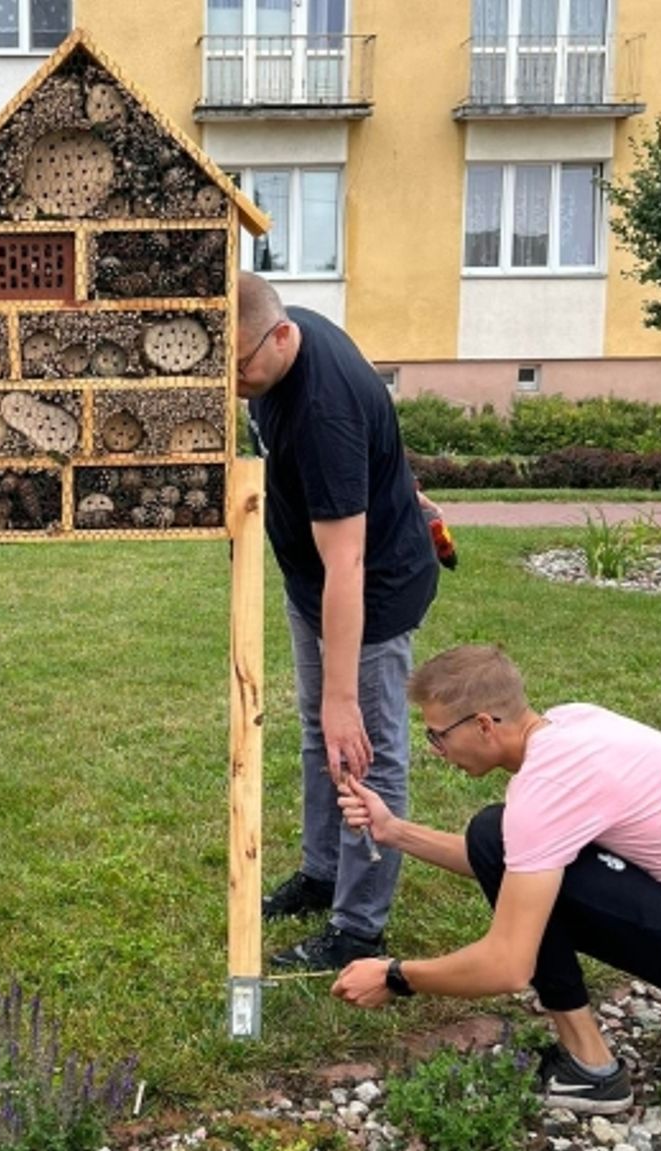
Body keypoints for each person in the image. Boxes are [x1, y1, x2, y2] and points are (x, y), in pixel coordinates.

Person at [331, 644, 661, 1114]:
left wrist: (396, 977)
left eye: (437, 737)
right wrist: (392, 831)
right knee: (497, 838)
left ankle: (590, 1069)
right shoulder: (572, 723)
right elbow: (517, 864)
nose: (438, 752)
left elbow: (507, 964)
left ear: (482, 725)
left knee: (495, 833)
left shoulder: (547, 788)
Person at [236, 272, 439, 971]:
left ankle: (358, 926)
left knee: (363, 750)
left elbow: (347, 563)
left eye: (239, 366)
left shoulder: (324, 410)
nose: (233, 382)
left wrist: (343, 694)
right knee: (319, 734)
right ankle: (324, 873)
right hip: (313, 583)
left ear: (283, 334)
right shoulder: (276, 350)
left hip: (369, 593)